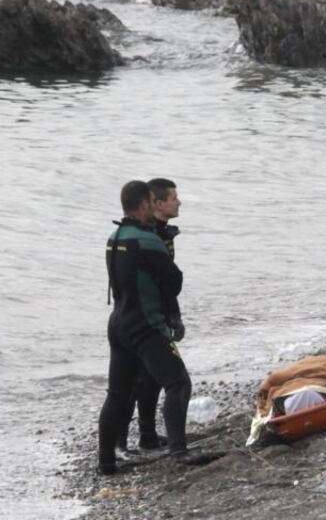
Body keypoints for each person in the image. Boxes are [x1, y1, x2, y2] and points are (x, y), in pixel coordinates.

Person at [98, 180, 193, 474]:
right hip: (145, 325)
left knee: (117, 393)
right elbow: (173, 283)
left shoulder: (114, 237)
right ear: (143, 206)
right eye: (152, 201)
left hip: (119, 323)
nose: (155, 205)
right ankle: (179, 452)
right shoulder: (148, 241)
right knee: (178, 384)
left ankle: (106, 463)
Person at [115, 178, 185, 454]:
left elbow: (166, 284)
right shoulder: (145, 236)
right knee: (137, 380)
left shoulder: (159, 233)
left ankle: (147, 435)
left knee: (151, 378)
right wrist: (168, 316)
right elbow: (160, 282)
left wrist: (173, 315)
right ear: (154, 203)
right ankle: (123, 441)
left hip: (147, 315)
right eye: (173, 197)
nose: (179, 202)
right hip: (140, 318)